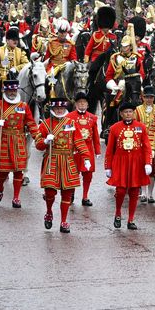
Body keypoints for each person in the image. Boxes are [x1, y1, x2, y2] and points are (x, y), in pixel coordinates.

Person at [36, 97, 92, 233]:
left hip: (68, 159)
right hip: (52, 159)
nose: (59, 110)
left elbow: (79, 141)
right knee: (50, 192)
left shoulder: (71, 123)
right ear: (53, 109)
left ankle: (64, 221)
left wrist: (86, 157)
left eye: (62, 108)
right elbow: (38, 144)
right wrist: (45, 141)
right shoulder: (45, 124)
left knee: (67, 193)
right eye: (57, 109)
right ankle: (49, 212)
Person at [0, 80, 38, 207]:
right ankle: (0, 188)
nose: (12, 93)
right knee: (3, 171)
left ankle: (16, 197)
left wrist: (38, 137)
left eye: (14, 90)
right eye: (10, 90)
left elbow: (31, 123)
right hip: (4, 139)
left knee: (18, 170)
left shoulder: (23, 106)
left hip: (19, 140)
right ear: (5, 91)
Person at [105, 100, 153, 230]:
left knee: (134, 191)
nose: (128, 114)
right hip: (120, 162)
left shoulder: (141, 127)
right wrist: (108, 166)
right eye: (125, 112)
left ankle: (131, 219)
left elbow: (147, 147)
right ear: (121, 114)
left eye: (130, 112)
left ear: (134, 113)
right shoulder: (114, 128)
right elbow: (110, 149)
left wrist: (148, 163)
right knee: (120, 191)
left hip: (136, 162)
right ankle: (118, 212)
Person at [71, 91, 101, 206]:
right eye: (79, 102)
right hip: (74, 150)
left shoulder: (93, 118)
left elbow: (96, 136)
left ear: (87, 105)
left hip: (88, 150)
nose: (82, 104)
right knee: (74, 173)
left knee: (88, 174)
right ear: (76, 104)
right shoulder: (69, 117)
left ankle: (85, 196)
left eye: (84, 102)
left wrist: (97, 150)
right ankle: (71, 193)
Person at [136, 86, 155, 204]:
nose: (149, 99)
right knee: (142, 169)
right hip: (140, 144)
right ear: (143, 98)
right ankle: (143, 192)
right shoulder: (137, 110)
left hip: (154, 144)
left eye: (151, 97)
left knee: (152, 169)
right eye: (147, 97)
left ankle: (151, 194)